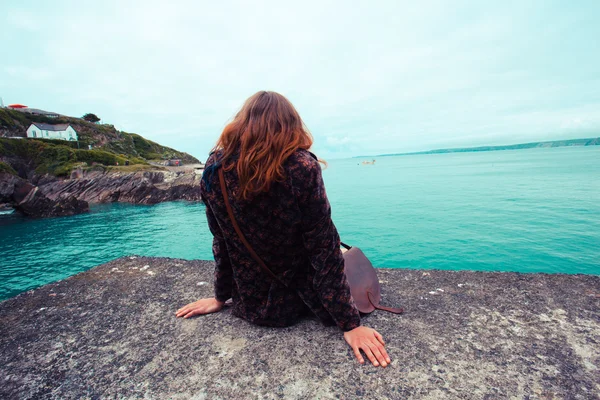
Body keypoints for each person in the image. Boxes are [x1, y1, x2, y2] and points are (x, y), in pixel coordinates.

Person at [176, 91, 390, 368]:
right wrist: (350, 324)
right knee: (336, 247)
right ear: (290, 125)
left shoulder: (214, 167)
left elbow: (222, 239)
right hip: (298, 302)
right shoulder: (301, 166)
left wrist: (221, 297)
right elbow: (323, 249)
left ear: (241, 123)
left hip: (249, 303)